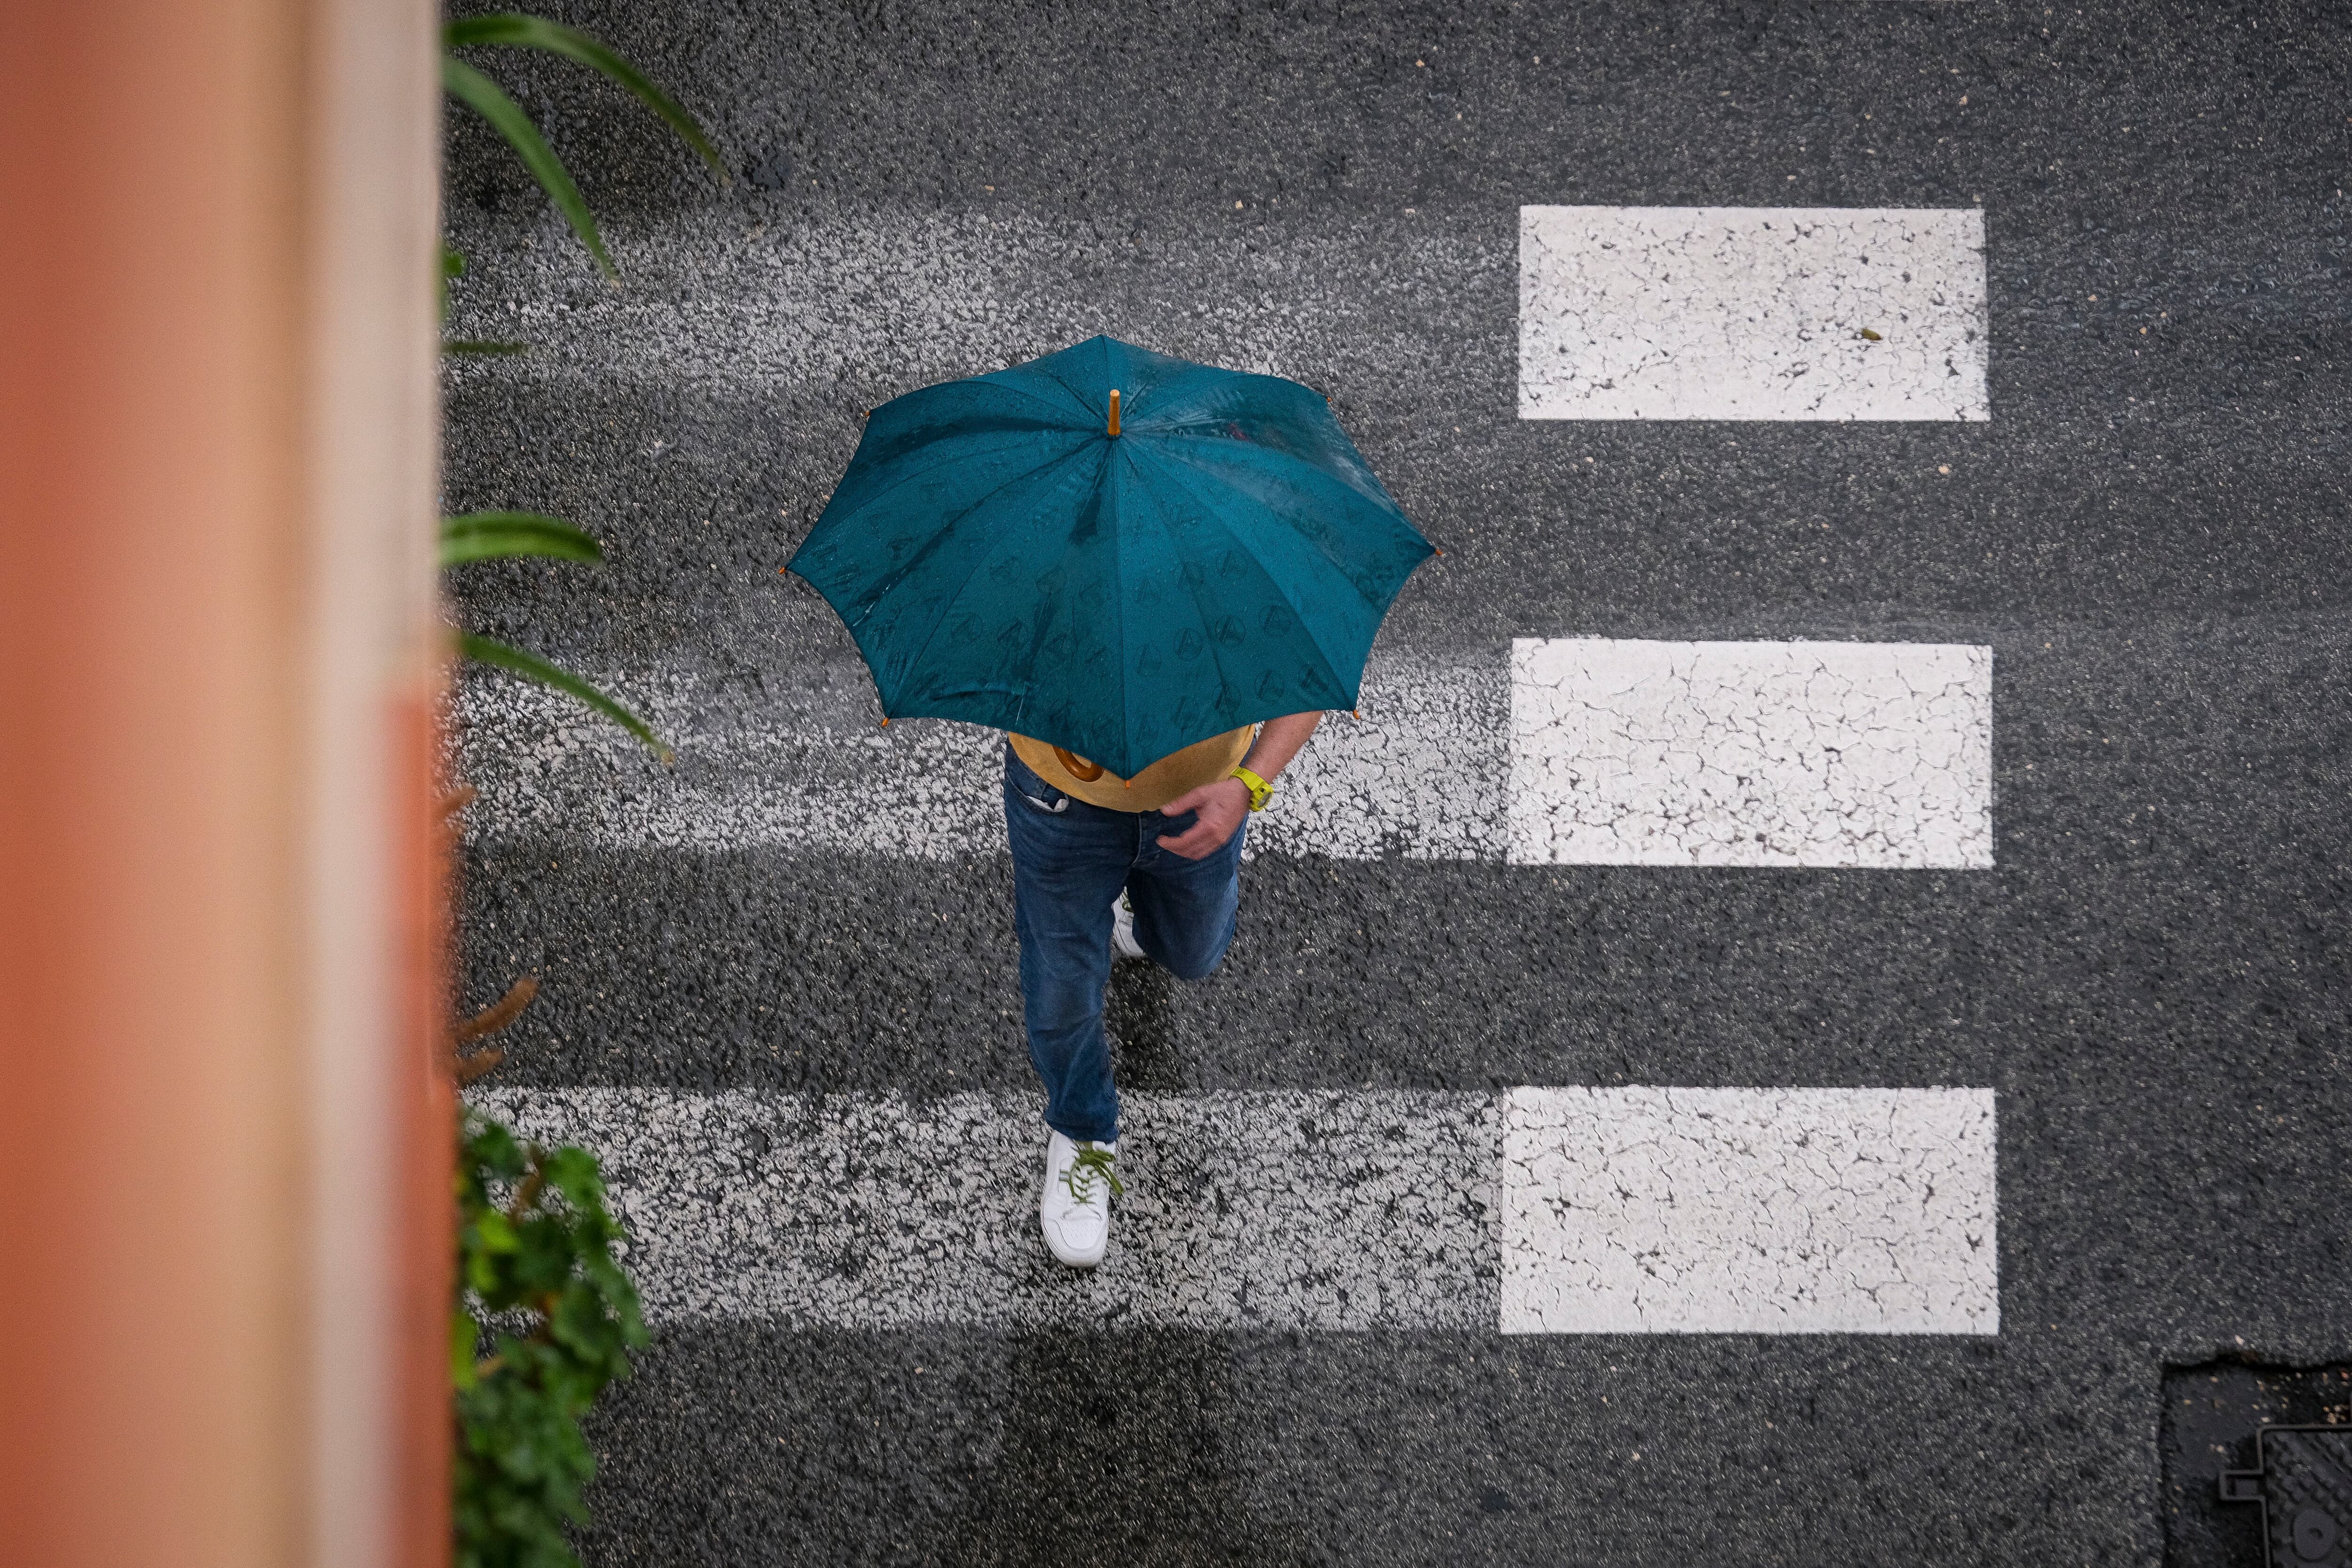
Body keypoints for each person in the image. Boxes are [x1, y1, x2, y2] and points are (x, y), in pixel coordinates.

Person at [1003, 711, 1326, 1267]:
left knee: (1191, 953)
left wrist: (1251, 783)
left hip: (1203, 793)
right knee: (1061, 988)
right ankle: (1081, 1129)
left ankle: (1134, 895)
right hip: (1059, 801)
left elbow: (1308, 668)